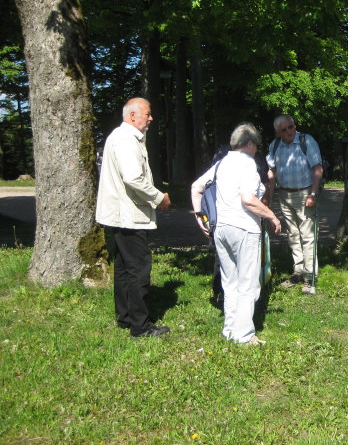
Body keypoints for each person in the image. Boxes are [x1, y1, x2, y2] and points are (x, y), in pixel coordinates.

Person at [192, 122, 281, 345]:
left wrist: (199, 216)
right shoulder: (247, 163)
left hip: (221, 228)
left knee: (229, 281)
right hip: (244, 228)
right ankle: (244, 335)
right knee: (248, 283)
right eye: (256, 146)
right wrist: (271, 215)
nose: (256, 150)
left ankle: (230, 329)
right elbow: (248, 199)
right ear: (249, 143)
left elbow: (196, 187)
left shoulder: (221, 163)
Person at [96, 97, 172, 338]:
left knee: (124, 267)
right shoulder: (126, 139)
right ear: (132, 116)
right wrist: (159, 198)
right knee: (139, 267)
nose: (151, 118)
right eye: (147, 114)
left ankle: (126, 317)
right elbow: (133, 178)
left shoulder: (121, 137)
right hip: (128, 214)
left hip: (121, 213)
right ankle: (140, 326)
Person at [266, 114, 323, 294]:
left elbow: (318, 169)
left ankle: (310, 277)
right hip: (284, 194)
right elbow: (272, 173)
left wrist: (313, 194)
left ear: (294, 126)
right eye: (284, 130)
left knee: (307, 236)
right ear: (278, 132)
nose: (289, 131)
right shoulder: (275, 146)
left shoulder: (307, 141)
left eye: (291, 127)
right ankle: (298, 272)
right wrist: (269, 198)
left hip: (305, 193)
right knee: (292, 235)